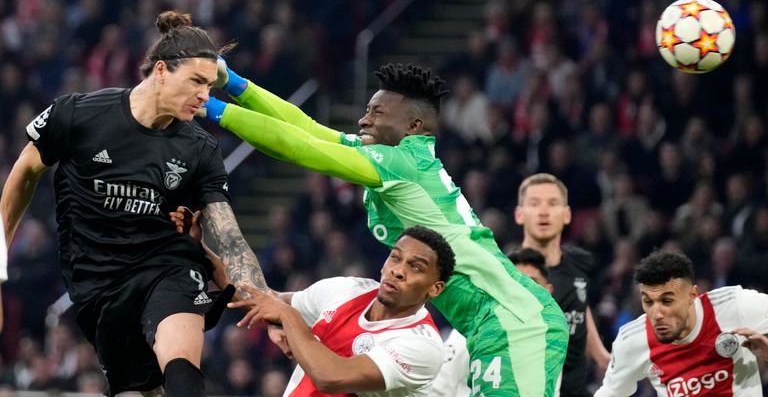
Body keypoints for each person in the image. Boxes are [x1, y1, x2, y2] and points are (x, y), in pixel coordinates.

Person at [198, 61, 568, 395]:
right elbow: (306, 129)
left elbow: (300, 148)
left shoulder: (400, 164)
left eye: (377, 113)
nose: (363, 120)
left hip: (513, 319)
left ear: (413, 126)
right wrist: (232, 83)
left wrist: (209, 108)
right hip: (493, 322)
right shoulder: (403, 160)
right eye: (366, 111)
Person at [0, 11, 266, 397]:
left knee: (181, 365)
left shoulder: (200, 148)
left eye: (209, 85)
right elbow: (24, 172)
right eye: (196, 81)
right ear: (160, 70)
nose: (205, 96)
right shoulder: (78, 114)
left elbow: (228, 234)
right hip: (98, 284)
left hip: (167, 266)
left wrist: (264, 298)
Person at [224, 225, 455, 396]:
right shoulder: (349, 289)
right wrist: (201, 253)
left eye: (415, 267)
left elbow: (331, 377)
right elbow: (266, 300)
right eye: (395, 257)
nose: (398, 271)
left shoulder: (422, 346)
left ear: (435, 288)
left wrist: (286, 316)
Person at [595, 250, 768, 396]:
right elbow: (610, 392)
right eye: (648, 301)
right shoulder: (632, 341)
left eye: (667, 301)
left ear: (692, 295)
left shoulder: (735, 306)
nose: (656, 314)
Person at [514, 173, 610, 396]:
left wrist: (601, 355)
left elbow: (580, 309)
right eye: (534, 204)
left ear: (567, 215)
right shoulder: (509, 273)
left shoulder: (580, 262)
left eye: (553, 203)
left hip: (576, 389)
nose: (544, 211)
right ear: (519, 214)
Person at [429, 247, 554, 397]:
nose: (524, 289)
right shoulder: (472, 332)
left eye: (532, 283)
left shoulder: (551, 341)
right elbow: (438, 390)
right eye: (517, 282)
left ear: (547, 292)